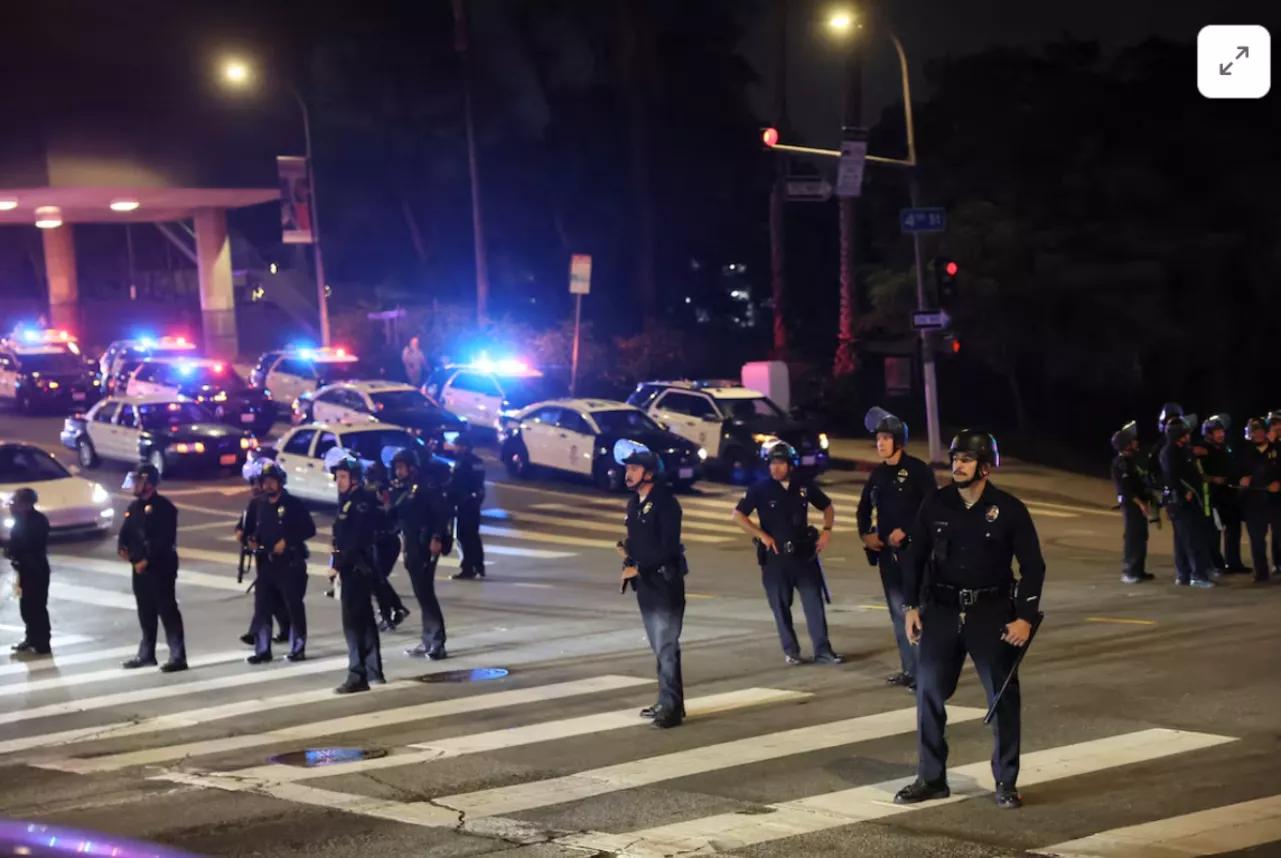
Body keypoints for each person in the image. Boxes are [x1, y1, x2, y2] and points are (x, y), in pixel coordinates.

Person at [895, 430, 1045, 810]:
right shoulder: (936, 504)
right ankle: (931, 779)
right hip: (942, 611)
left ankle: (1006, 782)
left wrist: (1025, 617)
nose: (957, 465)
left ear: (986, 466)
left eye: (966, 459)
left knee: (1003, 699)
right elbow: (914, 557)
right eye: (955, 458)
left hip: (991, 613)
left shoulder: (1009, 509)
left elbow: (1032, 566)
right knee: (927, 691)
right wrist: (910, 606)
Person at [732, 442, 842, 666]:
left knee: (814, 605)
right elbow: (738, 515)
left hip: (804, 555)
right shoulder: (760, 489)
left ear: (790, 465)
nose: (776, 468)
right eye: (772, 463)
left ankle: (823, 650)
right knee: (781, 607)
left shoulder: (803, 486)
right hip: (775, 558)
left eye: (781, 463)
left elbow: (827, 507)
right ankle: (791, 651)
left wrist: (826, 532)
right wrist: (762, 535)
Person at [855, 408, 936, 689]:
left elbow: (932, 509)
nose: (880, 443)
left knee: (918, 613)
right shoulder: (878, 474)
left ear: (899, 441)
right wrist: (866, 535)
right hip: (889, 557)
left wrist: (909, 531)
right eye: (878, 438)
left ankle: (926, 672)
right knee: (897, 613)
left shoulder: (918, 471)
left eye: (886, 438)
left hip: (916, 555)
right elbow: (863, 508)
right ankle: (909, 670)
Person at [616, 440, 687, 729]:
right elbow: (638, 543)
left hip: (665, 583)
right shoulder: (634, 504)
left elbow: (668, 547)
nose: (628, 474)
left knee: (667, 646)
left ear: (649, 473)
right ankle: (667, 701)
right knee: (659, 647)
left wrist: (639, 566)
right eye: (627, 468)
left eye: (634, 468)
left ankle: (670, 708)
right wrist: (627, 556)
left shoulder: (666, 503)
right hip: (645, 586)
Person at [244, 461, 316, 663]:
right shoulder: (258, 504)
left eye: (271, 481)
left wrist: (288, 541)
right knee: (262, 607)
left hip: (290, 563)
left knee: (293, 606)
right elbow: (252, 529)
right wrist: (251, 540)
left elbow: (309, 529)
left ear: (280, 482)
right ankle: (262, 650)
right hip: (266, 564)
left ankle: (297, 648)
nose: (267, 486)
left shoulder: (293, 503)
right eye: (264, 481)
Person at [118, 464, 187, 672]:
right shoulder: (134, 507)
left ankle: (178, 655)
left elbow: (164, 540)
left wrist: (146, 560)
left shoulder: (164, 508)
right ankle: (146, 653)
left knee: (167, 610)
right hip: (139, 568)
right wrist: (125, 550)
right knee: (145, 611)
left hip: (160, 568)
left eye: (139, 481)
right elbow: (126, 533)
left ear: (149, 484)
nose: (135, 485)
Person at [328, 450, 386, 693]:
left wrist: (337, 565)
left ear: (354, 478)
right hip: (353, 566)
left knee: (353, 624)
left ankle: (357, 674)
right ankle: (373, 671)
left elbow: (355, 540)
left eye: (343, 476)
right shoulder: (350, 500)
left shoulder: (360, 502)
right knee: (365, 621)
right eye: (338, 477)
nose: (338, 481)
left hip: (356, 568)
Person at [389, 446, 453, 658]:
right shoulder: (404, 487)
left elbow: (442, 514)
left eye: (401, 467)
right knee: (420, 592)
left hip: (426, 543)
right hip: (412, 543)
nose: (398, 472)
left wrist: (436, 538)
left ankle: (437, 642)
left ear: (412, 467)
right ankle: (427, 640)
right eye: (396, 468)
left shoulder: (427, 485)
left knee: (426, 592)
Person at [236, 459, 290, 647]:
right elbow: (243, 528)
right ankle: (280, 630)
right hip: (263, 558)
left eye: (257, 483)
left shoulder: (282, 501)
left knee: (270, 598)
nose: (255, 487)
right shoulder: (255, 504)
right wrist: (246, 539)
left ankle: (259, 632)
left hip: (283, 559)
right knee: (268, 599)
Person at [1160, 417, 1216, 588]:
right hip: (1182, 502)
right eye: (1184, 434)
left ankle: (1184, 574)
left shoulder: (1183, 450)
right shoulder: (1170, 452)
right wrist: (1185, 492)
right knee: (1191, 539)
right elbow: (1172, 477)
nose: (1188, 436)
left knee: (1183, 539)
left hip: (1188, 501)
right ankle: (1197, 575)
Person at [365, 459, 411, 630]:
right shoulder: (389, 489)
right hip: (385, 540)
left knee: (377, 581)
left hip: (384, 541)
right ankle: (396, 609)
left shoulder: (378, 491)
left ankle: (389, 614)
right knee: (378, 580)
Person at [5, 488, 51, 656]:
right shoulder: (20, 520)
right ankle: (31, 637)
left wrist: (14, 551)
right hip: (24, 569)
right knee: (26, 607)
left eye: (16, 502)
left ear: (26, 504)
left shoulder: (37, 521)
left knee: (37, 606)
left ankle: (42, 642)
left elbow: (28, 545)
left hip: (36, 570)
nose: (13, 506)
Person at [1199, 415, 1247, 574]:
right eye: (1217, 431)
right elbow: (1197, 474)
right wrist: (1213, 479)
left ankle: (1234, 563)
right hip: (1213, 497)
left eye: (1221, 431)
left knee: (1234, 529)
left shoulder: (1225, 449)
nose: (1221, 434)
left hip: (1229, 495)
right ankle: (1216, 565)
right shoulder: (1203, 451)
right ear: (1209, 434)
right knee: (1214, 533)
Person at [1237, 417, 1281, 583]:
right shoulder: (1244, 452)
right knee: (1257, 539)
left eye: (1261, 430)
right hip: (1253, 502)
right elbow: (1235, 476)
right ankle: (1261, 573)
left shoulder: (1277, 450)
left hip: (1276, 501)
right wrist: (1241, 481)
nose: (1258, 433)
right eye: (1254, 431)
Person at [1111, 421, 1155, 584]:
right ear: (1126, 445)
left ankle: (1139, 570)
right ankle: (1130, 571)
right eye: (1132, 441)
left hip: (1139, 504)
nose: (1136, 443)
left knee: (1141, 536)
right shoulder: (1121, 463)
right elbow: (1126, 489)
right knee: (1133, 537)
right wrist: (1141, 503)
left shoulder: (1131, 461)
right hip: (1132, 505)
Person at [449, 431, 487, 580]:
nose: (455, 448)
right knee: (473, 535)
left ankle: (468, 569)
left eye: (457, 445)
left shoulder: (461, 462)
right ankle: (479, 565)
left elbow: (456, 483)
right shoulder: (478, 462)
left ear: (463, 447)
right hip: (475, 502)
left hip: (464, 502)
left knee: (462, 536)